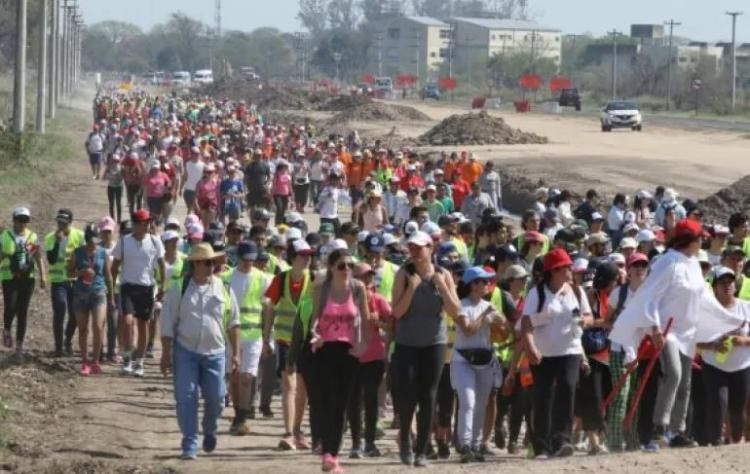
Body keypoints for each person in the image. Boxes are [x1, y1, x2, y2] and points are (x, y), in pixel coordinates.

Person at [609, 219, 745, 452]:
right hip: (667, 329)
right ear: (687, 240)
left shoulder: (693, 264)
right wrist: (654, 329)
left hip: (687, 331)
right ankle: (658, 429)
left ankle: (677, 430)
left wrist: (728, 319)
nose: (703, 240)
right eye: (699, 237)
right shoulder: (667, 262)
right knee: (673, 373)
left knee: (685, 383)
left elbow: (704, 298)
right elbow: (648, 296)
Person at [159, 242, 241, 460]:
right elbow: (168, 322)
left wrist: (236, 354)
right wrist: (166, 354)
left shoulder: (224, 288)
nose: (211, 265)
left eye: (213, 262)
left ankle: (210, 429)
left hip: (215, 353)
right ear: (195, 264)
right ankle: (189, 442)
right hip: (185, 351)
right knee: (186, 397)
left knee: (216, 398)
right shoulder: (179, 288)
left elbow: (234, 323)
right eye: (206, 262)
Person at [391, 231, 463, 467]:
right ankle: (405, 441)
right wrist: (412, 289)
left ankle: (422, 450)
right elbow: (397, 313)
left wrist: (442, 286)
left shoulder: (443, 274)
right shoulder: (404, 274)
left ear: (431, 249)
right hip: (407, 344)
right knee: (407, 397)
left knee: (429, 396)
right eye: (412, 247)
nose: (415, 252)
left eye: (420, 247)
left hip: (434, 343)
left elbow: (455, 311)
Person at [521, 248, 593, 459]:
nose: (570, 270)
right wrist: (531, 347)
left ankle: (562, 440)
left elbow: (588, 316)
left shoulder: (576, 291)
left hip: (569, 350)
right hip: (542, 354)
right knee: (543, 397)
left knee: (568, 390)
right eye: (565, 267)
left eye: (570, 266)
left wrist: (583, 321)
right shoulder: (537, 293)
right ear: (553, 271)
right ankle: (542, 446)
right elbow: (526, 323)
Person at [308, 249, 370, 474]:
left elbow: (365, 317)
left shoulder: (357, 288)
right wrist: (315, 335)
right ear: (332, 267)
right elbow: (314, 319)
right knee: (327, 402)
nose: (347, 270)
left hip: (348, 351)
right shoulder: (321, 290)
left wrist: (364, 345)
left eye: (350, 266)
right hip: (325, 350)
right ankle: (327, 452)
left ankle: (332, 454)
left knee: (342, 404)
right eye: (342, 265)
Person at [266, 239, 315, 450]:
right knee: (289, 385)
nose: (307, 259)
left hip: (307, 341)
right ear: (292, 257)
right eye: (303, 255)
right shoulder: (281, 279)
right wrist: (266, 337)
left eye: (309, 255)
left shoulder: (314, 279)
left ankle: (297, 430)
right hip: (285, 340)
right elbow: (269, 306)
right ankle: (288, 433)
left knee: (303, 388)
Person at [453, 266, 506, 463]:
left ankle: (475, 445)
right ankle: (464, 443)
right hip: (463, 359)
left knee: (481, 404)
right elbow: (468, 330)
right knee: (468, 401)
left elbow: (504, 332)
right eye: (482, 281)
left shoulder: (488, 305)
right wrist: (485, 315)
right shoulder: (461, 305)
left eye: (487, 281)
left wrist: (501, 322)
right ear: (472, 284)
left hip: (485, 358)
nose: (486, 284)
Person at [698, 266, 750, 446]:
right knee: (718, 404)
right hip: (714, 365)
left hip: (742, 365)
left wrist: (743, 341)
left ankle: (736, 443)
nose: (727, 285)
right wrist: (712, 345)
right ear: (714, 287)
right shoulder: (707, 310)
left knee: (737, 409)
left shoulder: (746, 307)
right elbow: (693, 339)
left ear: (735, 285)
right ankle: (715, 443)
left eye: (730, 282)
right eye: (722, 282)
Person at [111, 209, 166, 377]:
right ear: (136, 224)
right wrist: (112, 289)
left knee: (143, 325)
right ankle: (127, 359)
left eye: (146, 223)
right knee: (127, 322)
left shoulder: (155, 242)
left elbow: (162, 265)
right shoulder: (124, 241)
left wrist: (162, 287)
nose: (145, 225)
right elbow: (115, 267)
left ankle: (139, 362)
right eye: (142, 223)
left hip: (147, 288)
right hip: (127, 286)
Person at [604, 252, 649, 452]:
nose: (639, 268)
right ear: (628, 271)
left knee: (635, 396)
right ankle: (615, 441)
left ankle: (631, 441)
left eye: (643, 265)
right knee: (621, 394)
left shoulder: (650, 293)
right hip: (619, 349)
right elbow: (608, 319)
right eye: (635, 265)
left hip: (642, 351)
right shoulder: (618, 294)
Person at [227, 241, 271, 436]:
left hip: (254, 335)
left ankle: (242, 417)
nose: (248, 264)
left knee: (247, 377)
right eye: (245, 260)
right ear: (238, 258)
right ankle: (238, 413)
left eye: (252, 260)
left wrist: (267, 337)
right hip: (231, 335)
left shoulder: (262, 279)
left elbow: (268, 310)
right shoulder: (226, 278)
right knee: (235, 377)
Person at [347, 263, 390, 458]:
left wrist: (379, 321)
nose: (367, 280)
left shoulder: (379, 300)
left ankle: (370, 442)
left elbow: (392, 326)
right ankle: (356, 443)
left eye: (369, 277)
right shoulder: (344, 301)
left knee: (371, 399)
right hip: (351, 356)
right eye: (363, 277)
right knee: (353, 400)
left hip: (374, 356)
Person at [68, 224, 113, 376]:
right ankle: (85, 361)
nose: (93, 243)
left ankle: (96, 361)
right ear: (86, 239)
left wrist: (111, 297)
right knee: (82, 329)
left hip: (99, 292)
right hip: (80, 294)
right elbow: (69, 273)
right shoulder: (77, 252)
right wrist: (82, 272)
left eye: (95, 239)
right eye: (90, 240)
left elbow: (108, 276)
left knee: (98, 326)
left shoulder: (103, 253)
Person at [1, 207, 46, 358]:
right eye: (19, 220)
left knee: (23, 311)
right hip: (9, 277)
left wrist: (43, 276)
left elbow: (38, 257)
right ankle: (7, 328)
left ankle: (19, 346)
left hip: (28, 278)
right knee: (10, 306)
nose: (22, 223)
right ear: (14, 220)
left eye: (25, 220)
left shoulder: (31, 237)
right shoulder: (6, 235)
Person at [45, 208, 85, 356]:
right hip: (58, 281)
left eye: (64, 222)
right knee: (60, 309)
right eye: (59, 222)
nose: (61, 225)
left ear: (70, 222)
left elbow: (85, 256)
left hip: (75, 280)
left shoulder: (79, 236)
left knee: (74, 314)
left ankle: (68, 340)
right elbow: (51, 260)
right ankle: (58, 346)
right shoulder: (51, 237)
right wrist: (56, 243)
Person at [104, 154, 124, 223]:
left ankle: (119, 219)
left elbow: (122, 178)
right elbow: (103, 177)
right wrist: (109, 176)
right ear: (111, 161)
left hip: (119, 187)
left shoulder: (121, 168)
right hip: (111, 187)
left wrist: (118, 176)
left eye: (116, 161)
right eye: (114, 160)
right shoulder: (108, 168)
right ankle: (112, 218)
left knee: (118, 203)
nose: (115, 162)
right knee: (111, 204)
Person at [272, 160, 293, 225]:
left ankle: (281, 223)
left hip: (285, 194)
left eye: (286, 167)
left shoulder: (288, 175)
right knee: (279, 208)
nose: (285, 168)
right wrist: (272, 195)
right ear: (280, 167)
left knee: (283, 209)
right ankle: (277, 223)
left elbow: (289, 185)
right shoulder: (277, 174)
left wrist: (291, 193)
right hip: (277, 194)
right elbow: (274, 185)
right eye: (283, 166)